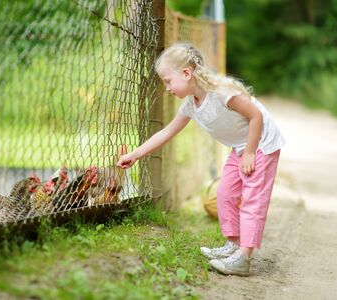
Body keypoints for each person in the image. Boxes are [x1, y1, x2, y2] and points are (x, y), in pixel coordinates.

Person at [116, 43, 285, 276]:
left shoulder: (221, 93)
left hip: (261, 144)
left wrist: (249, 153)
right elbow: (165, 133)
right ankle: (233, 244)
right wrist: (134, 155)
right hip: (240, 147)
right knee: (225, 193)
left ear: (186, 73)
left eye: (168, 81)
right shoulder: (190, 106)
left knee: (252, 198)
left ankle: (243, 258)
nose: (167, 88)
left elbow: (256, 116)